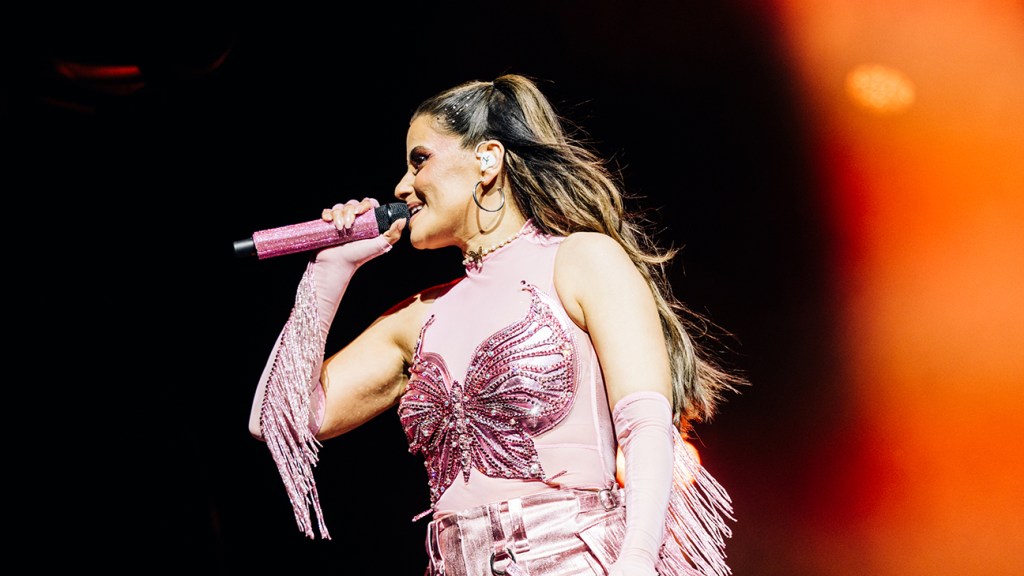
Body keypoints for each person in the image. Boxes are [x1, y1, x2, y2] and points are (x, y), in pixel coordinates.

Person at [247, 73, 744, 576]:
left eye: (420, 160)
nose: (401, 186)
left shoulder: (582, 260)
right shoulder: (417, 316)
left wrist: (636, 562)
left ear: (487, 159)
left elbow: (645, 428)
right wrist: (329, 273)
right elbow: (274, 422)